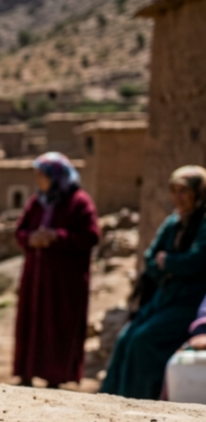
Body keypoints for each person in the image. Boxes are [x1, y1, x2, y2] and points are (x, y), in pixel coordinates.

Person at [101, 166, 206, 399]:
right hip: (163, 298)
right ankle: (112, 398)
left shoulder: (203, 224)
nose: (178, 197)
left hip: (189, 303)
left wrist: (168, 262)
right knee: (126, 338)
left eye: (184, 191)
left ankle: (139, 399)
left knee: (144, 341)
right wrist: (169, 266)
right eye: (174, 190)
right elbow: (150, 258)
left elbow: (197, 261)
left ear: (198, 194)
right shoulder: (173, 223)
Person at [12, 153, 99, 388]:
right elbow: (20, 231)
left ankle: (56, 378)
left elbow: (90, 236)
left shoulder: (79, 202)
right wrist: (31, 238)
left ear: (56, 176)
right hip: (36, 277)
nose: (38, 180)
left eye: (42, 175)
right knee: (32, 322)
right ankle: (26, 373)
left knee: (58, 325)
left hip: (65, 282)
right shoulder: (37, 202)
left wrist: (56, 237)